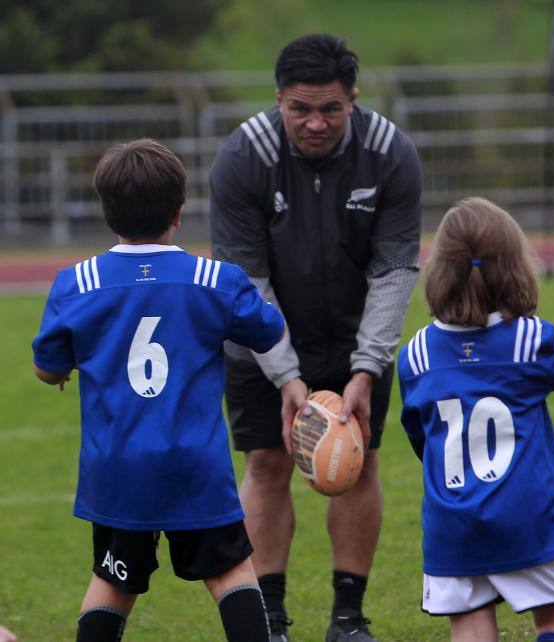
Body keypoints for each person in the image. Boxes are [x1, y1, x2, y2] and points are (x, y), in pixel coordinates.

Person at [209, 33, 422, 642]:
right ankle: (270, 619)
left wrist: (365, 369)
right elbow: (246, 284)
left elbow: (396, 269)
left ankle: (348, 621)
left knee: (358, 465)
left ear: (353, 100)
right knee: (268, 464)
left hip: (357, 338)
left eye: (331, 108)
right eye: (299, 108)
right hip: (258, 338)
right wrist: (287, 378)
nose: (316, 122)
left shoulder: (391, 154)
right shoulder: (243, 156)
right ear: (278, 100)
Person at [32, 139, 285, 642]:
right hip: (195, 463)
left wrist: (71, 368)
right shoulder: (215, 279)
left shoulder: (75, 284)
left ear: (106, 211)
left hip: (117, 465)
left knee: (112, 581)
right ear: (179, 210)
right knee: (231, 572)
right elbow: (270, 329)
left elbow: (48, 367)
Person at [398, 197, 554, 642]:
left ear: (439, 271)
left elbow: (421, 436)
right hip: (526, 512)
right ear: (515, 267)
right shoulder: (530, 339)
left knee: (470, 623)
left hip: (452, 520)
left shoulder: (417, 354)